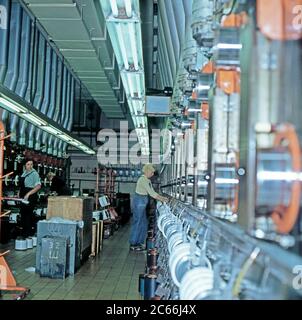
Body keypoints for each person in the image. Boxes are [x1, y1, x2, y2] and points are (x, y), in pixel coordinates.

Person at [129, 163, 168, 251]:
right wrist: (163, 199)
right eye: (152, 172)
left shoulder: (148, 180)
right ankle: (133, 243)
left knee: (143, 222)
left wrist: (162, 198)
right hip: (139, 201)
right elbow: (152, 193)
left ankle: (139, 242)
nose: (153, 174)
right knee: (138, 222)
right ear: (147, 171)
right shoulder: (143, 180)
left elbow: (152, 192)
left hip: (142, 201)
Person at [19, 159, 41, 238]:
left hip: (30, 196)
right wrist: (19, 194)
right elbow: (21, 186)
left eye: (31, 164)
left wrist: (28, 194)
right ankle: (24, 233)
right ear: (25, 165)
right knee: (23, 214)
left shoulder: (35, 174)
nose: (30, 166)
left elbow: (38, 186)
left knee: (28, 214)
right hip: (23, 195)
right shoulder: (24, 173)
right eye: (28, 164)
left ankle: (28, 233)